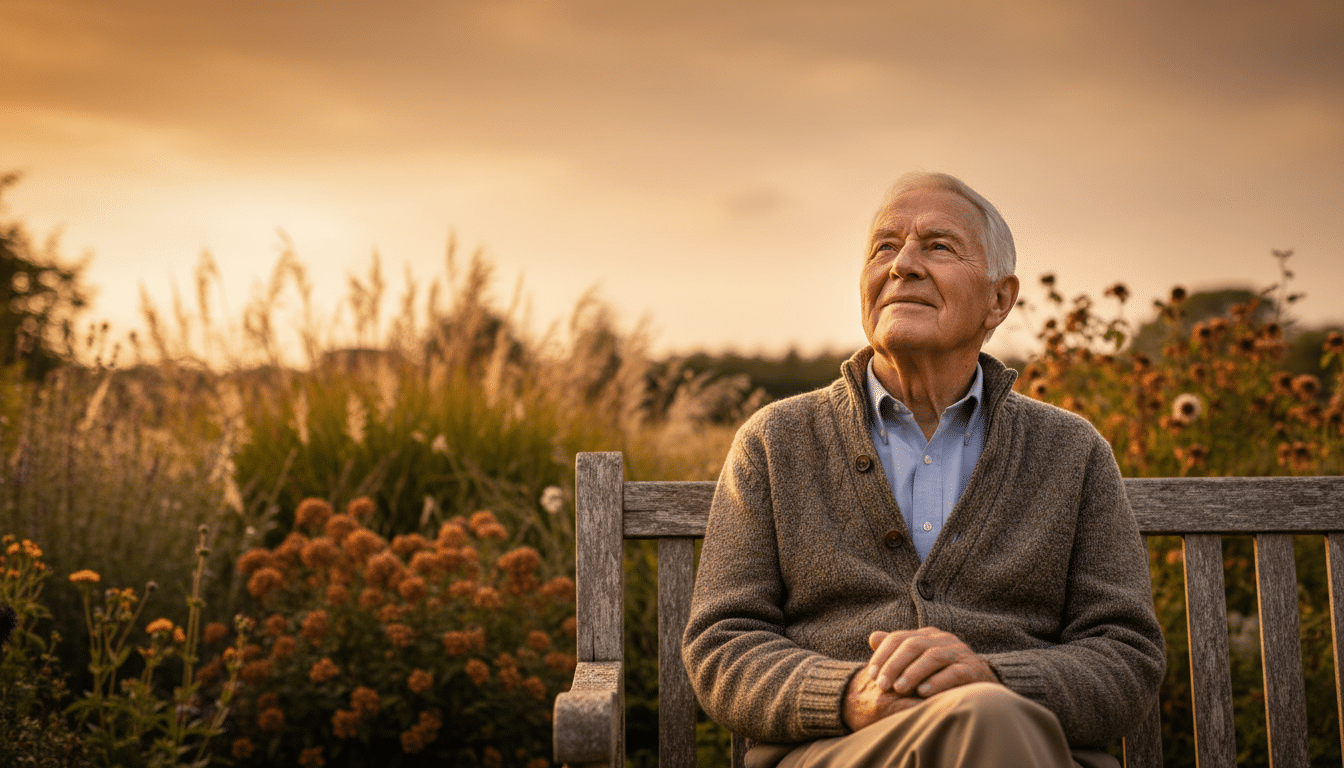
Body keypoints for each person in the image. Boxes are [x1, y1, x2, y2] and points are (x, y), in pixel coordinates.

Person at [682, 172, 1165, 768]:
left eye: (937, 246)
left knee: (987, 719)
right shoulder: (775, 443)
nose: (902, 264)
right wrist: (851, 695)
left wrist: (992, 680)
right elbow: (723, 644)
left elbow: (1125, 656)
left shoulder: (1072, 452)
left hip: (1025, 747)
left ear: (1000, 299)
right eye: (884, 247)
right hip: (838, 754)